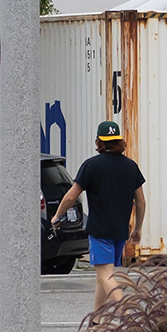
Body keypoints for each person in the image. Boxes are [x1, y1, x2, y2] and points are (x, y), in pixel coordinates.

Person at [53, 119, 144, 311]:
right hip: (120, 231)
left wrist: (57, 216)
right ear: (119, 140)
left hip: (100, 229)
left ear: (99, 141)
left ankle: (128, 317)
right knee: (102, 275)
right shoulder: (131, 166)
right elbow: (141, 201)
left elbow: (71, 197)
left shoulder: (91, 165)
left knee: (105, 276)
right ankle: (96, 321)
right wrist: (137, 228)